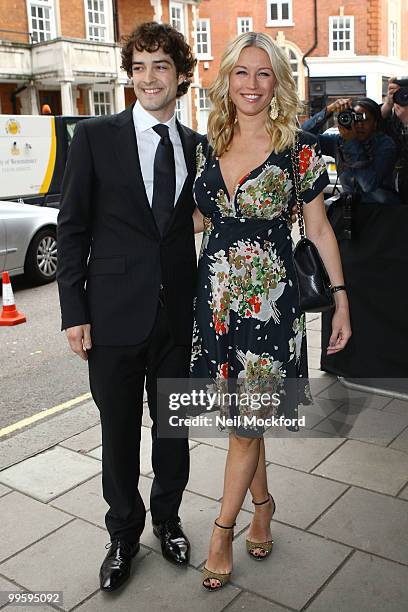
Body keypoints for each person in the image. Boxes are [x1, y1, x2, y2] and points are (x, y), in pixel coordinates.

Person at [190, 32, 351, 591]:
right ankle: (264, 503)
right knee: (243, 419)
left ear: (278, 82)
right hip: (215, 301)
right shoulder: (206, 142)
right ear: (227, 78)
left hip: (268, 306)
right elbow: (196, 219)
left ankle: (221, 529)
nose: (252, 84)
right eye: (242, 72)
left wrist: (341, 300)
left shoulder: (299, 146)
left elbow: (319, 228)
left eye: (264, 74)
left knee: (241, 426)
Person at [56, 22, 201, 592]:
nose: (148, 78)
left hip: (178, 312)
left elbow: (191, 222)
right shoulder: (94, 136)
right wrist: (74, 311)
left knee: (174, 431)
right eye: (138, 67)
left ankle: (167, 520)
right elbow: (72, 229)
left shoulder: (195, 146)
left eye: (160, 66)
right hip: (112, 314)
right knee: (118, 432)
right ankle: (123, 533)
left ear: (181, 74)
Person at [303, 97, 398, 203]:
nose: (359, 125)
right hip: (352, 212)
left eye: (365, 120)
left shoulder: (385, 144)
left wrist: (351, 142)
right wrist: (329, 110)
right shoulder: (339, 142)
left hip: (383, 212)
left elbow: (368, 184)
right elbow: (302, 137)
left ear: (375, 123)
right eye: (355, 119)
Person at [381, 77, 408, 204]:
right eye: (401, 93)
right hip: (395, 196)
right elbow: (372, 133)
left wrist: (407, 123)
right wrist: (387, 106)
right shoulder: (393, 119)